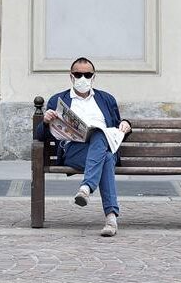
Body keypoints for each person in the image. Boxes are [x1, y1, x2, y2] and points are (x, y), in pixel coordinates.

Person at [35, 57, 132, 237]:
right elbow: (40, 135)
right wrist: (46, 122)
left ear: (94, 77)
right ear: (71, 76)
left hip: (104, 147)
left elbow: (118, 126)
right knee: (106, 157)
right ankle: (110, 217)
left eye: (87, 75)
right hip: (74, 151)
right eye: (78, 74)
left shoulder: (106, 99)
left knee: (100, 136)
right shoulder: (58, 100)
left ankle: (88, 190)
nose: (83, 78)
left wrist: (126, 124)